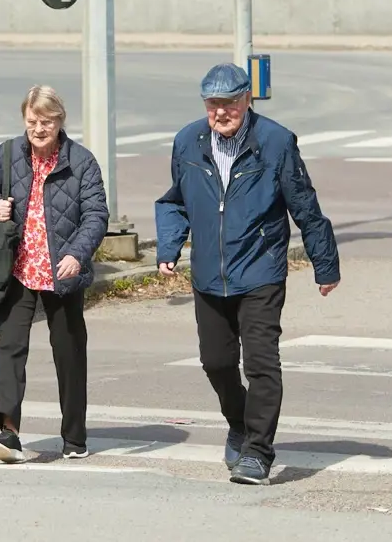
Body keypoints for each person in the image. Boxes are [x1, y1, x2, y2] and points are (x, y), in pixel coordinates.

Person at [154, 62, 342, 485]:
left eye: (229, 103)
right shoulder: (188, 142)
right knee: (216, 362)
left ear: (246, 100)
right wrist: (169, 246)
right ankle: (239, 424)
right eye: (212, 104)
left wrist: (324, 264)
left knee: (261, 363)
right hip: (208, 274)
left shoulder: (275, 142)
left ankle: (258, 452)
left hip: (260, 271)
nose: (220, 112)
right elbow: (173, 201)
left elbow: (305, 206)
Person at [0, 85, 109, 463]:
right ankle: (9, 432)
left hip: (62, 272)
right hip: (18, 268)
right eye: (32, 121)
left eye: (46, 121)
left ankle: (74, 437)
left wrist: (77, 255)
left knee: (68, 354)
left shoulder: (81, 162)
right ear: (24, 120)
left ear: (59, 121)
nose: (38, 128)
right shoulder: (8, 154)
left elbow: (97, 215)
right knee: (10, 348)